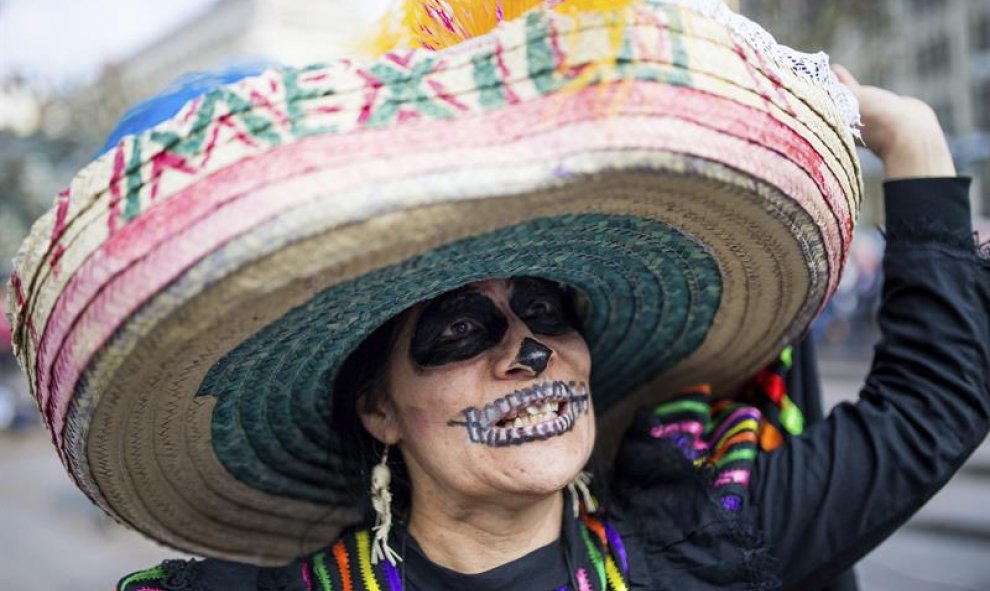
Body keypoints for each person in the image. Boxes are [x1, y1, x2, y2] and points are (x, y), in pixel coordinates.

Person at [6, 2, 987, 590]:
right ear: (378, 407)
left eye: (550, 313)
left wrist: (909, 137)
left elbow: (933, 405)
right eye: (460, 328)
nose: (530, 351)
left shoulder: (708, 544)